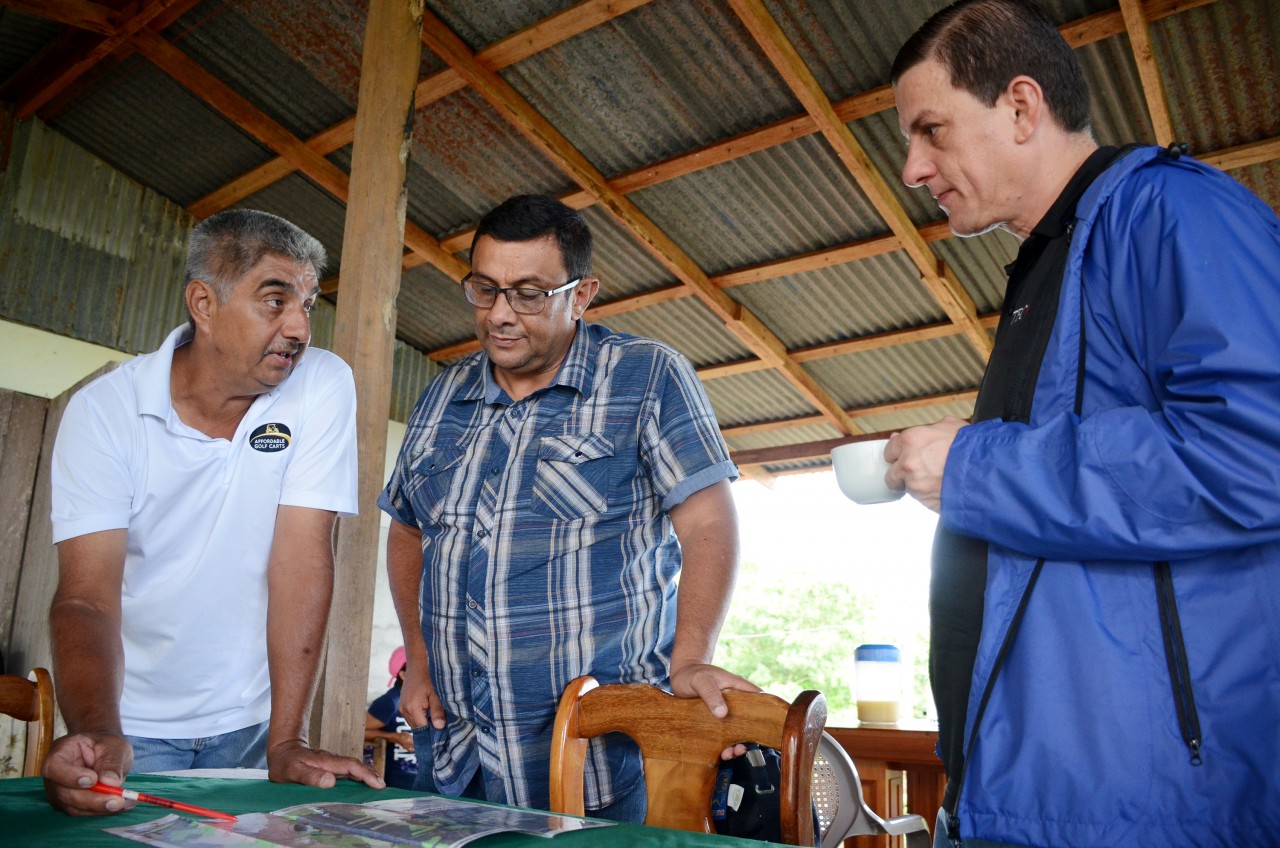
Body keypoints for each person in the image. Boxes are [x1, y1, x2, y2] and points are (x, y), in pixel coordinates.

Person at [881, 2, 1280, 847]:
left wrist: (973, 470)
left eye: (931, 131)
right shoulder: (1045, 268)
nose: (913, 169)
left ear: (1021, 107)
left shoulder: (1172, 212)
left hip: (1151, 811)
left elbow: (1256, 452)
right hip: (1024, 796)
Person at [379, 194, 756, 822]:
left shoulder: (645, 376)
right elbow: (407, 531)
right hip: (455, 748)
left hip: (593, 758)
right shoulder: (443, 394)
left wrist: (690, 658)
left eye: (528, 294)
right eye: (484, 288)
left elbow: (709, 525)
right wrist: (416, 661)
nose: (500, 314)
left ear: (580, 295)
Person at [45, 208, 384, 816]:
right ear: (203, 303)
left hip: (255, 723)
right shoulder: (104, 413)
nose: (300, 328)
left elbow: (302, 562)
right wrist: (99, 728)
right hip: (132, 727)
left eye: (308, 303)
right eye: (274, 301)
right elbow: (86, 598)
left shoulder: (321, 384)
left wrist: (286, 738)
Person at [364, 646, 422, 790]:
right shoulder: (389, 702)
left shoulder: (422, 699)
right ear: (403, 675)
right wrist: (394, 737)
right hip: (397, 783)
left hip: (418, 777)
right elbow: (360, 732)